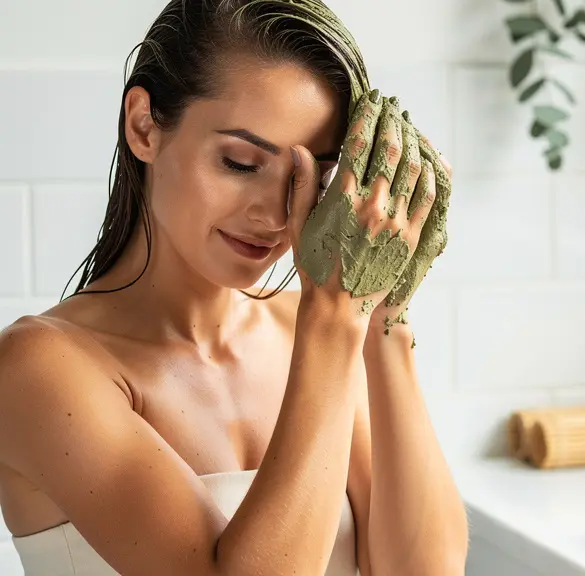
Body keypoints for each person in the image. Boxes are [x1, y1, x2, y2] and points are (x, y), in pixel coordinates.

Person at [0, 1, 468, 575]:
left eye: (306, 176)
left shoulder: (320, 323)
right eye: (241, 163)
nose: (275, 214)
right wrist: (336, 322)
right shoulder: (39, 368)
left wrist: (384, 316)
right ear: (143, 126)